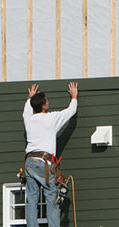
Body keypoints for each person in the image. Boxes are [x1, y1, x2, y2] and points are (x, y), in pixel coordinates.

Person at [23, 82, 78, 227]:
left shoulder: (28, 119)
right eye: (47, 100)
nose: (48, 102)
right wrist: (74, 97)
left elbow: (27, 109)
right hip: (44, 163)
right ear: (44, 106)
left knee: (32, 200)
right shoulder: (51, 118)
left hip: (29, 162)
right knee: (51, 198)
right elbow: (70, 111)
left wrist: (30, 98)